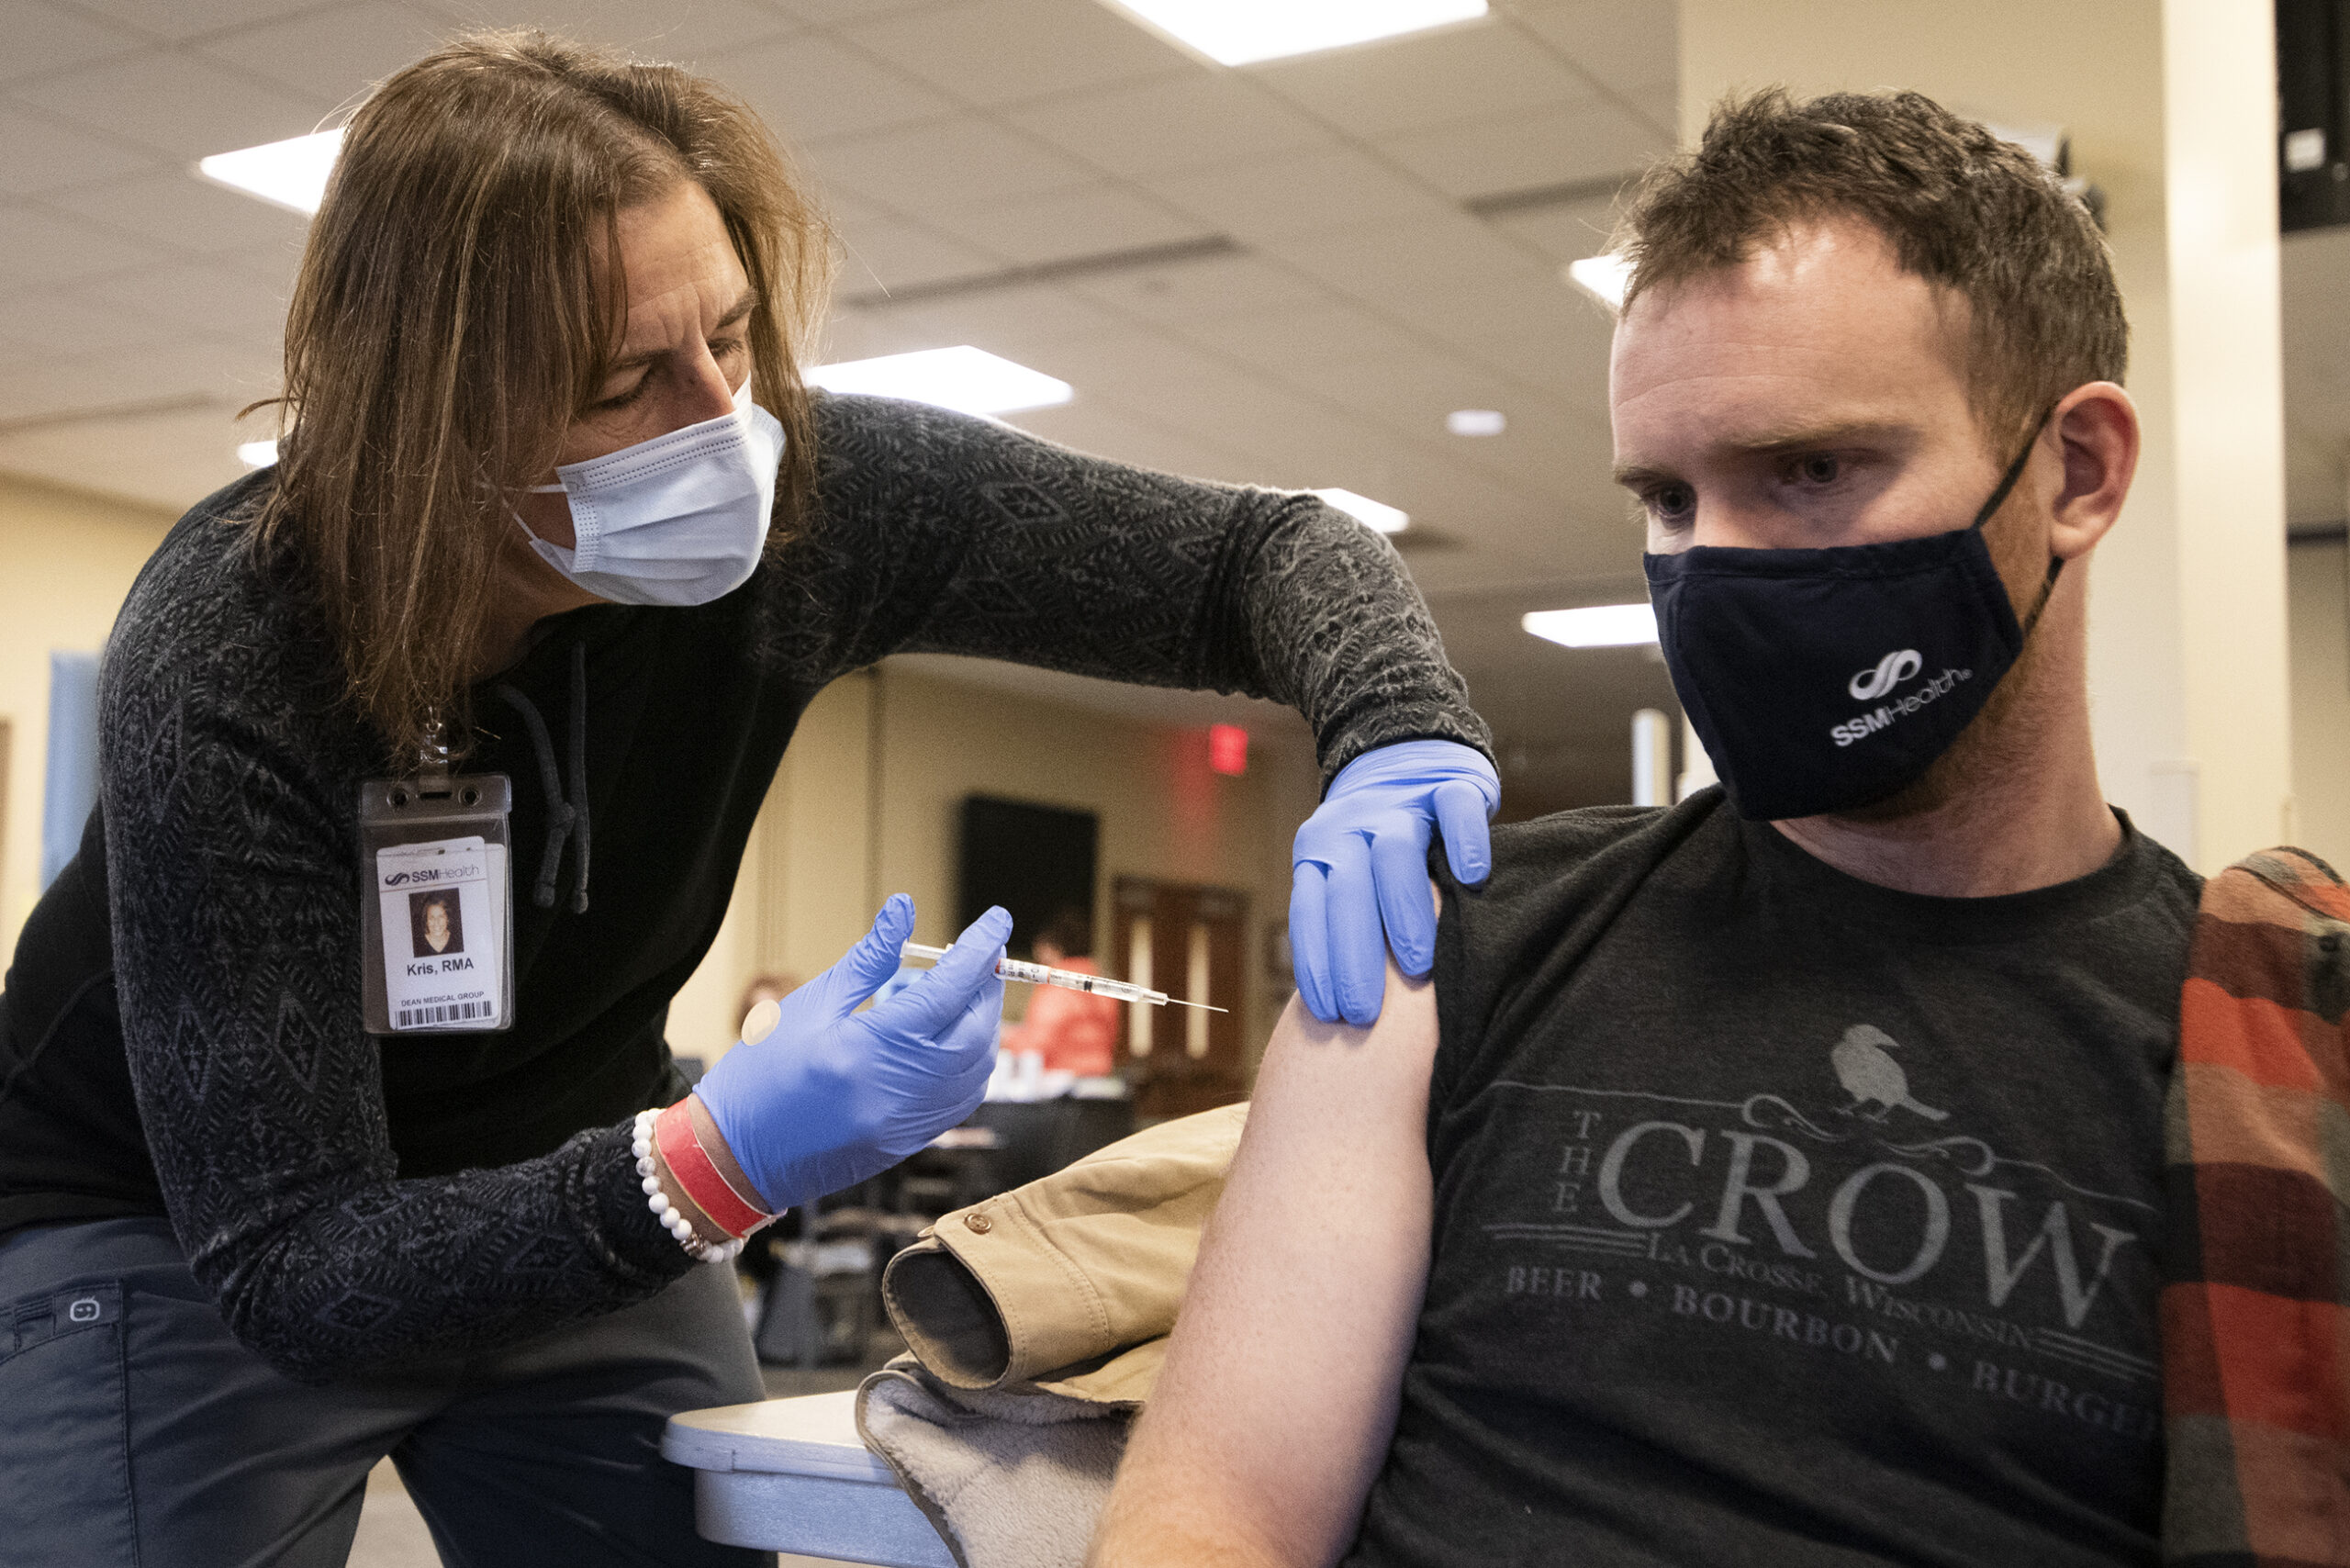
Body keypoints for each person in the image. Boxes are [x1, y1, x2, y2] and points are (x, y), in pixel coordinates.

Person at [0, 29, 1497, 1567]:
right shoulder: (231, 650)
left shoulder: (815, 517)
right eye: (625, 382)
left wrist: (1393, 726)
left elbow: (1265, 555)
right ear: (435, 414)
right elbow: (297, 1263)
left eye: (730, 332)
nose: (721, 420)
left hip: (563, 1158)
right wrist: (712, 1161)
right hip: (185, 1230)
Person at [1095, 90, 2204, 1567]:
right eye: (1669, 497)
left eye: (1809, 472)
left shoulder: (2255, 1051)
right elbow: (1212, 1522)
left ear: (2078, 473)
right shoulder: (1466, 944)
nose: (1715, 565)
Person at [1000, 911, 1121, 1078]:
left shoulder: (1055, 988)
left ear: (1054, 949)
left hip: (1065, 1083)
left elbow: (1037, 1043)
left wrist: (1003, 1039)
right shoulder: (1102, 984)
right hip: (1101, 1078)